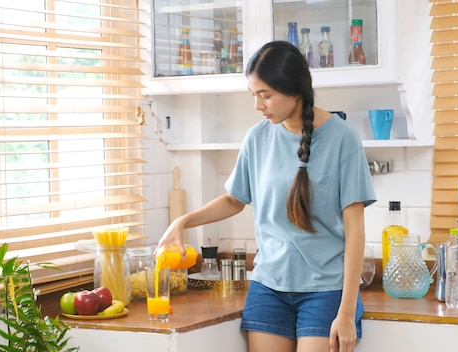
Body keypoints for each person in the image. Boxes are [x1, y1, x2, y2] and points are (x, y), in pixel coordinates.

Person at [156, 41, 376, 352]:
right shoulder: (257, 137)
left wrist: (346, 311)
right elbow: (235, 199)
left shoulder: (343, 139)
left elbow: (355, 230)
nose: (259, 105)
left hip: (326, 290)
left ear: (294, 89)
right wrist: (183, 221)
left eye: (266, 95)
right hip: (268, 287)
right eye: (254, 96)